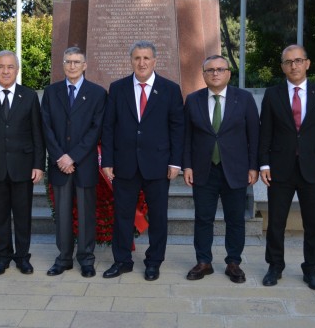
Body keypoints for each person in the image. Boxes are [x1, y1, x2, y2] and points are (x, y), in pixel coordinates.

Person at [101, 40, 184, 281]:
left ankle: (154, 262)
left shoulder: (170, 89)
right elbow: (108, 127)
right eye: (137, 58)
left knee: (158, 216)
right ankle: (122, 260)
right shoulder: (118, 88)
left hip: (158, 164)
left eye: (146, 58)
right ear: (131, 61)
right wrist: (107, 160)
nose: (142, 62)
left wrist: (175, 163)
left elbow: (177, 128)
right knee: (122, 215)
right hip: (124, 164)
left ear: (155, 61)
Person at [259, 44, 315, 291]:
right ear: (282, 66)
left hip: (314, 168)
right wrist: (263, 164)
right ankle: (275, 266)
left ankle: (312, 268)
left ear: (307, 63)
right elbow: (265, 132)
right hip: (280, 168)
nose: (293, 66)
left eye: (298, 60)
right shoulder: (272, 94)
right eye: (288, 62)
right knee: (276, 222)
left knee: (314, 222)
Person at [182, 55, 260, 283]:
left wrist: (253, 166)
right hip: (203, 170)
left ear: (228, 73)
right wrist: (186, 165)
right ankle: (203, 261)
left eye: (220, 69)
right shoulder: (193, 99)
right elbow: (187, 136)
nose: (215, 73)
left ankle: (233, 263)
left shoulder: (244, 99)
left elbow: (254, 135)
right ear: (203, 74)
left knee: (235, 219)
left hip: (235, 170)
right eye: (210, 70)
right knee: (203, 218)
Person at [0, 50, 45, 276]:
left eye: (10, 67)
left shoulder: (29, 96)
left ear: (17, 69)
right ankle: (2, 257)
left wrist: (38, 165)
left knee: (23, 217)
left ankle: (22, 257)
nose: (5, 71)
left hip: (23, 167)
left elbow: (37, 134)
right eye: (1, 66)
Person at [41, 47, 107, 278]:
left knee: (87, 213)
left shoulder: (98, 93)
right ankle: (64, 258)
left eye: (77, 62)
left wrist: (73, 156)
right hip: (60, 163)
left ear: (85, 65)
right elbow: (46, 127)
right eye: (68, 61)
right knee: (62, 213)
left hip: (84, 164)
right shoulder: (51, 93)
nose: (72, 66)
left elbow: (95, 129)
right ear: (63, 64)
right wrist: (60, 157)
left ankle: (86, 259)